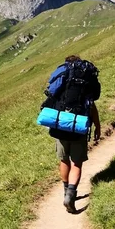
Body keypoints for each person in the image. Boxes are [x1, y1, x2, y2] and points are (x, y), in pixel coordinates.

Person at [48, 54, 101, 213]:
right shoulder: (86, 80)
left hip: (60, 124)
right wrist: (97, 125)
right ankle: (71, 194)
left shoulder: (63, 77)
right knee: (77, 163)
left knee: (64, 160)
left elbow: (50, 93)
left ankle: (66, 192)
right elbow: (92, 106)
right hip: (79, 126)